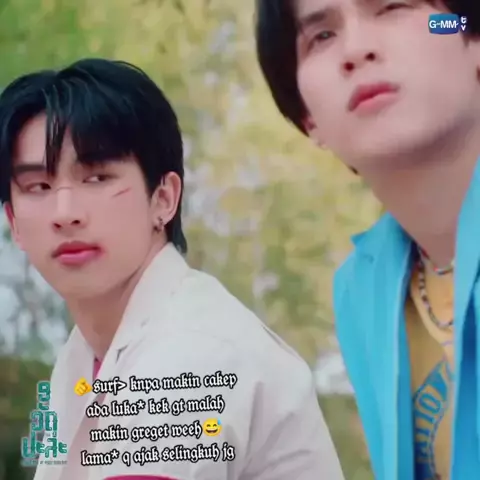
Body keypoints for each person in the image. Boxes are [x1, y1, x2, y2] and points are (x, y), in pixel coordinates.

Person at [0, 58, 343, 480]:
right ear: (14, 222)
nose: (65, 213)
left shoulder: (190, 353)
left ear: (163, 199)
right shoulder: (84, 357)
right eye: (38, 186)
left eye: (97, 178)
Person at [255, 0, 480, 479]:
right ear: (309, 120)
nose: (355, 50)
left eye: (394, 7)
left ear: (472, 38)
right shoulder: (362, 293)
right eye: (321, 37)